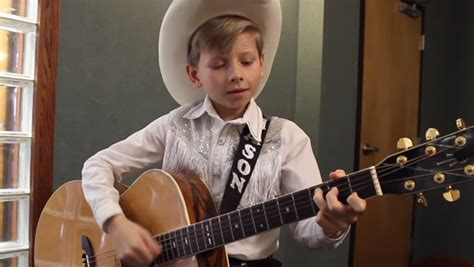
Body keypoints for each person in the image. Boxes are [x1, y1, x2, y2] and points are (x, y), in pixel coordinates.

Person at [82, 0, 367, 266]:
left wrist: (332, 224)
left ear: (262, 64)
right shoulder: (174, 126)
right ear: (195, 74)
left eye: (246, 61)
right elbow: (98, 165)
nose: (236, 74)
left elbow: (307, 232)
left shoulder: (287, 138)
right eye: (219, 64)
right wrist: (115, 224)